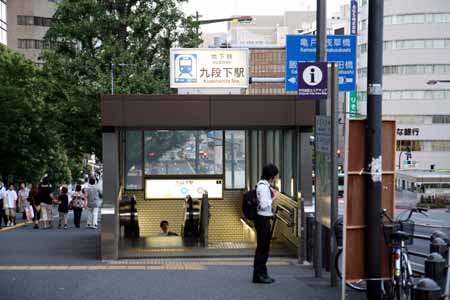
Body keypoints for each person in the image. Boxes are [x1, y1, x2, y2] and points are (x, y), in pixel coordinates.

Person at [253, 163, 279, 284]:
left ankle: (262, 273)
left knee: (263, 248)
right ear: (272, 176)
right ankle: (259, 275)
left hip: (262, 219)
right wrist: (274, 197)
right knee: (263, 248)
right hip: (263, 219)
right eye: (276, 175)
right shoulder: (263, 187)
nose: (277, 178)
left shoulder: (263, 185)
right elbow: (263, 205)